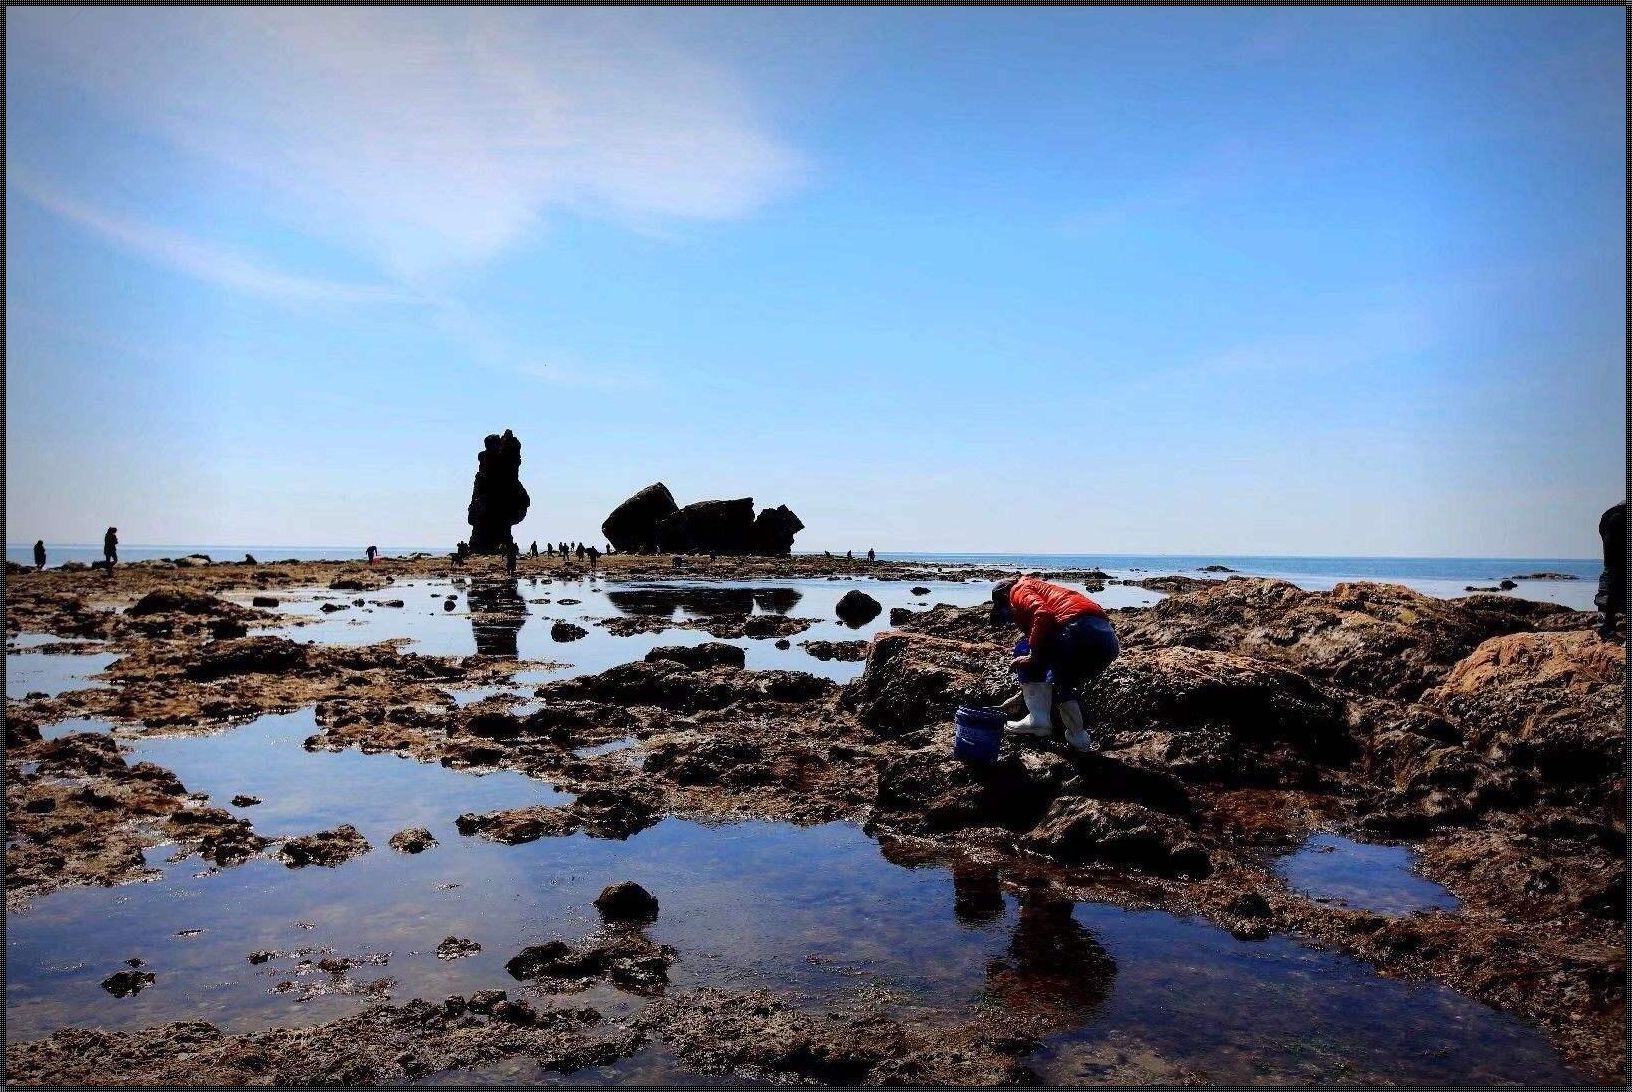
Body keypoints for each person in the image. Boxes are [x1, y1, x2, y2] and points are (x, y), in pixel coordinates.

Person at [990, 575, 1119, 752]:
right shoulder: (1045, 588)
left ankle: (1038, 719)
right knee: (1062, 682)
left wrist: (1033, 655)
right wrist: (1022, 696)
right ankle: (1079, 739)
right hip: (1107, 640)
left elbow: (1041, 613)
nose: (1010, 617)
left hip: (1076, 630)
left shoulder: (1018, 589)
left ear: (1004, 596)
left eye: (1005, 611)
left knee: (1023, 649)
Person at [1595, 501, 1625, 641]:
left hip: (1611, 518)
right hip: (1617, 519)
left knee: (1613, 570)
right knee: (1613, 571)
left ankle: (1604, 624)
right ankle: (1604, 625)